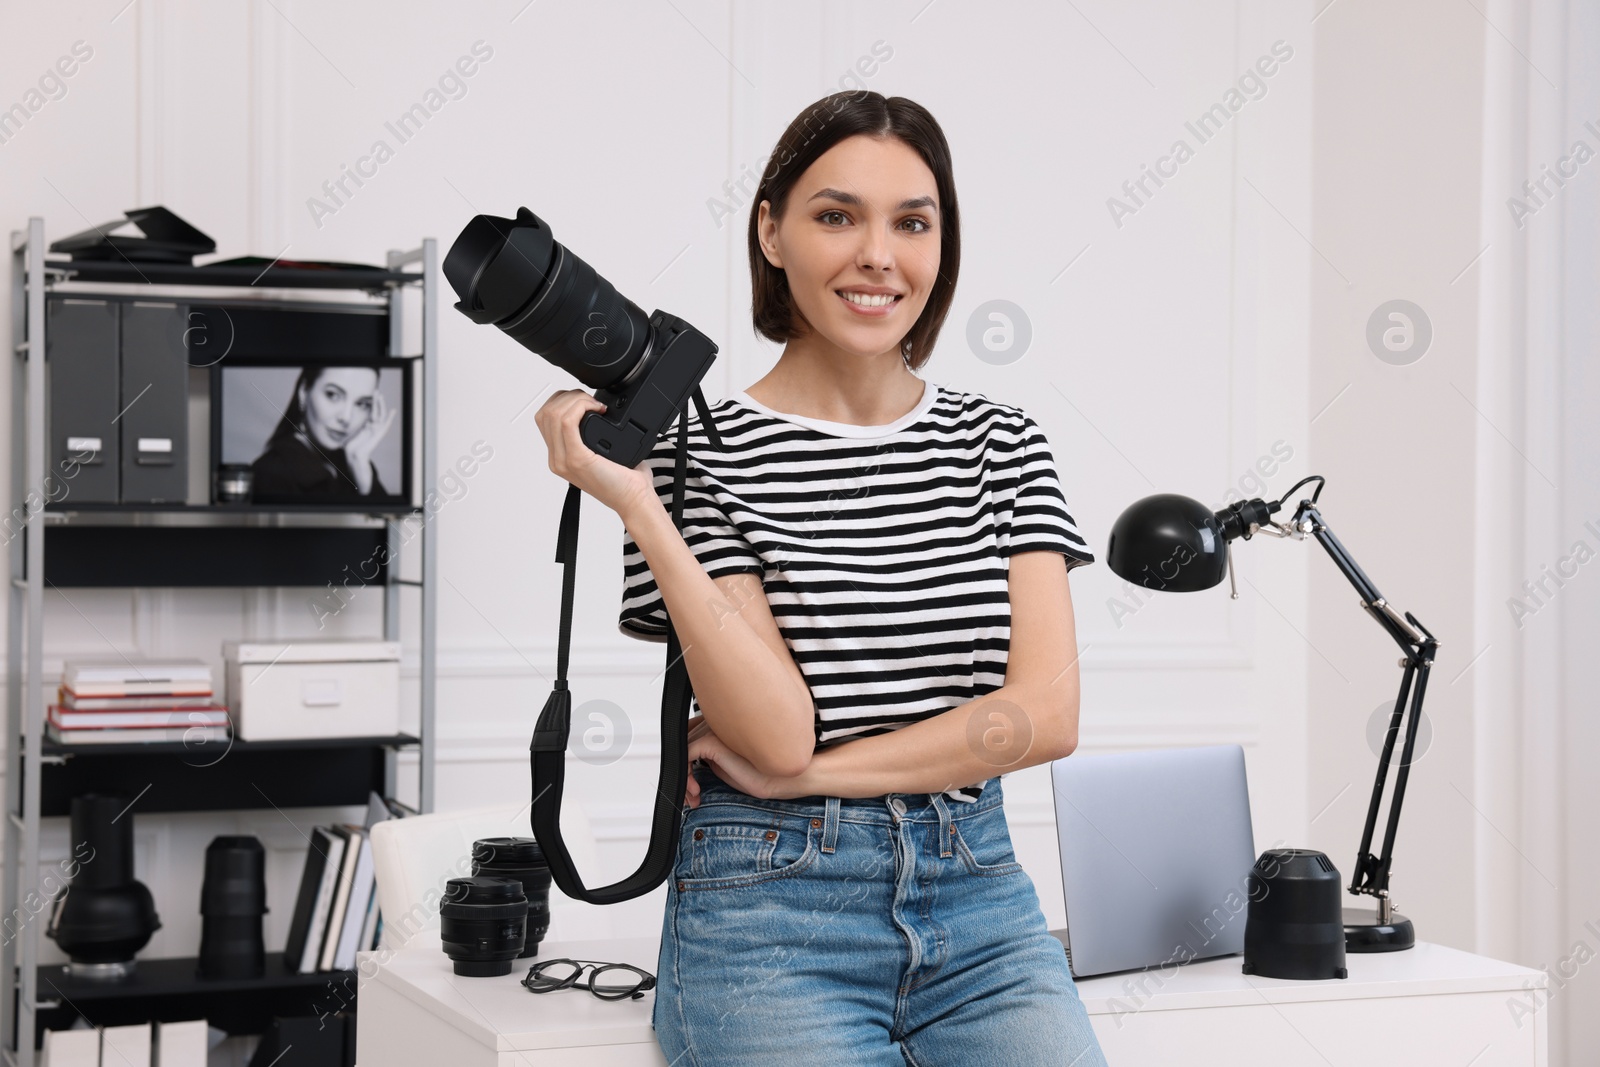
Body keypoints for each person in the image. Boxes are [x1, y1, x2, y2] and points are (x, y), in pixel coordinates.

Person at [535, 91, 1108, 1066]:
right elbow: (773, 728)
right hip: (771, 911)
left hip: (979, 897)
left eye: (911, 222)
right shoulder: (696, 451)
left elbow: (1041, 717)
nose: (878, 254)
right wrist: (639, 504)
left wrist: (810, 776)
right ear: (771, 230)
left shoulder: (1000, 442)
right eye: (836, 215)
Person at [250, 365, 395, 502]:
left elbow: (393, 526)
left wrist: (360, 466)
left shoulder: (357, 464)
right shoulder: (269, 473)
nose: (346, 417)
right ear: (304, 392)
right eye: (332, 395)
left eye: (362, 404)